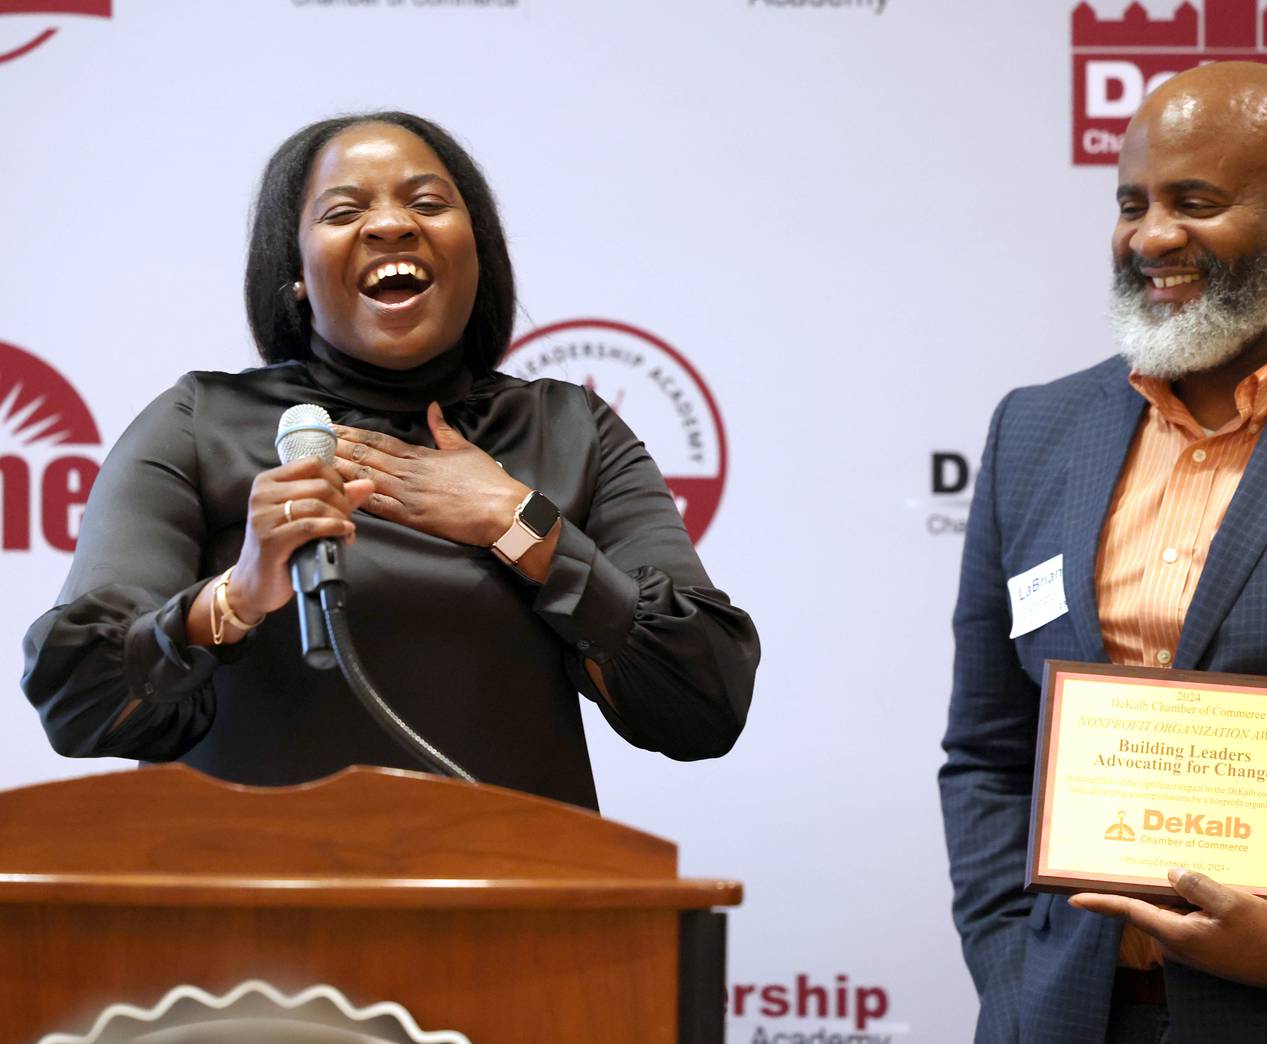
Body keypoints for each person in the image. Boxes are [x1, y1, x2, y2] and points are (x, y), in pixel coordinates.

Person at [22, 112, 760, 811]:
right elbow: (79, 699)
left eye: (428, 202)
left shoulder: (570, 430)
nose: (390, 224)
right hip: (247, 920)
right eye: (343, 213)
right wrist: (235, 597)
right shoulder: (198, 424)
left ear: (478, 252)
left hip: (517, 916)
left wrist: (520, 524)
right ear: (297, 277)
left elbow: (704, 700)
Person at [939, 62, 1267, 1043]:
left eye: (1195, 203)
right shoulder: (1040, 431)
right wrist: (1011, 966)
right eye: (1134, 203)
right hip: (1070, 1015)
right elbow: (990, 750)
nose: (1153, 236)